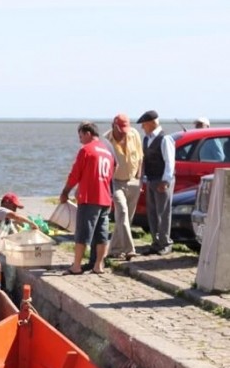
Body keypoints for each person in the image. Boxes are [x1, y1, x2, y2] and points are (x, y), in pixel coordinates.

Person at [60, 121, 115, 275]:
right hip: (105, 198)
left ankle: (76, 266)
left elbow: (75, 174)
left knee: (82, 234)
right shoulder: (107, 152)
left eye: (81, 136)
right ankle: (98, 265)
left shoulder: (86, 150)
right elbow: (111, 175)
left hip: (90, 198)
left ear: (88, 133)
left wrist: (65, 192)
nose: (80, 140)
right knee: (102, 234)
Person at [105, 113, 144, 261]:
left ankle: (114, 250)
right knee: (121, 213)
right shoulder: (106, 140)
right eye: (120, 129)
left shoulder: (134, 134)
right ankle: (129, 249)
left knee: (126, 219)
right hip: (116, 182)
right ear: (113, 126)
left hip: (133, 181)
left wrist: (139, 177)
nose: (123, 132)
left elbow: (140, 157)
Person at [137, 110, 176, 255]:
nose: (142, 127)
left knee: (163, 213)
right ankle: (156, 242)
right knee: (152, 213)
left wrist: (165, 181)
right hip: (151, 179)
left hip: (161, 180)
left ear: (152, 123)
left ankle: (165, 243)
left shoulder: (165, 139)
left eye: (144, 124)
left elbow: (169, 162)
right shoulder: (146, 139)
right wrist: (142, 179)